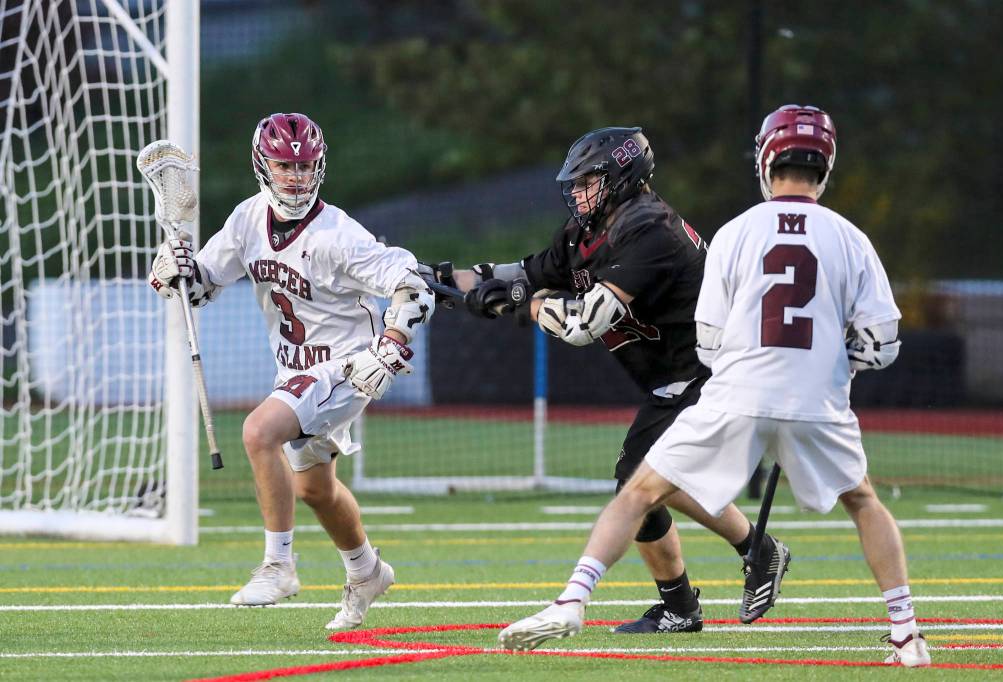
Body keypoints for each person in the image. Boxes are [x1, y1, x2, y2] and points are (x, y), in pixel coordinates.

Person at [497, 106, 930, 668]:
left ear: (765, 159)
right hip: (818, 398)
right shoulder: (851, 239)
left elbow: (708, 340)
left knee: (638, 489)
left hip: (737, 393)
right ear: (826, 166)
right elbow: (881, 345)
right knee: (864, 501)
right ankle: (906, 634)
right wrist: (830, 367)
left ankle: (571, 602)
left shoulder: (736, 231)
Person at [424, 126, 790, 635]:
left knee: (638, 482)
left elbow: (582, 323)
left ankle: (688, 601)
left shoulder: (651, 231)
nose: (576, 193)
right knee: (652, 481)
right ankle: (750, 553)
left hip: (714, 374)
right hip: (674, 382)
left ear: (622, 176)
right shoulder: (585, 233)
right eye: (573, 184)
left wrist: (517, 305)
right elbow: (522, 273)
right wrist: (444, 283)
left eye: (587, 181)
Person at [148, 112, 435, 630]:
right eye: (285, 165)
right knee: (315, 490)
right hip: (295, 370)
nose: (296, 177)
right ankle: (366, 570)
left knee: (259, 431)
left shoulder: (338, 235)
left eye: (305, 167)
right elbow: (202, 287)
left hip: (350, 364)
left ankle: (279, 565)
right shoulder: (245, 220)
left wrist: (390, 346)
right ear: (264, 165)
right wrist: (174, 270)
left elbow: (414, 284)